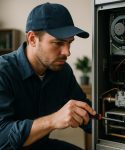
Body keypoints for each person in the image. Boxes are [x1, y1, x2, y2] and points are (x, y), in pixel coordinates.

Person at [0, 2, 96, 150]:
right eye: (58, 43)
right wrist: (53, 120)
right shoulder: (3, 71)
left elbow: (86, 112)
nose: (67, 52)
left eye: (70, 43)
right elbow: (2, 137)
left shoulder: (63, 72)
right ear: (32, 39)